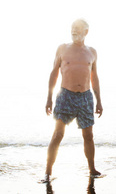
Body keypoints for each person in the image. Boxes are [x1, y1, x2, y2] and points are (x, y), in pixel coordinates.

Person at [44, 18, 103, 182]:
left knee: (89, 136)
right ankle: (47, 172)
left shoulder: (92, 52)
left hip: (85, 96)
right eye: (72, 28)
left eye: (77, 28)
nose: (74, 31)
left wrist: (99, 100)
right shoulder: (62, 48)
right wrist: (49, 98)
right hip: (65, 95)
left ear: (86, 32)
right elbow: (54, 73)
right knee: (57, 134)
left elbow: (95, 77)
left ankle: (92, 169)